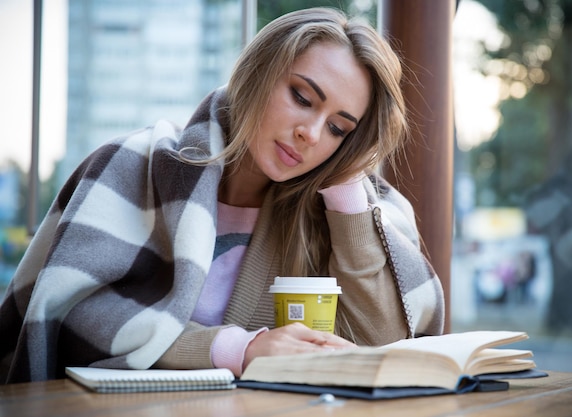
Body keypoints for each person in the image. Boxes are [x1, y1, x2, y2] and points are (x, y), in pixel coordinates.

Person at [0, 7, 444, 384]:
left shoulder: (328, 212)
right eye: (302, 97)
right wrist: (239, 348)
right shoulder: (134, 167)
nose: (310, 133)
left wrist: (346, 185)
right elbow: (69, 317)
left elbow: (382, 342)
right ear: (258, 74)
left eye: (337, 128)